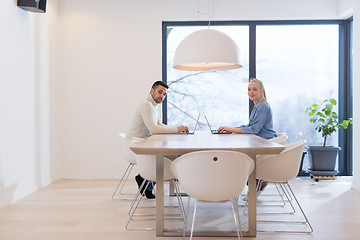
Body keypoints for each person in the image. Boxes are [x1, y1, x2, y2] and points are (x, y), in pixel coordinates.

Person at [126, 81, 188, 199]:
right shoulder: (146, 105)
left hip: (144, 142)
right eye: (160, 92)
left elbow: (160, 124)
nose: (162, 96)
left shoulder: (154, 106)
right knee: (169, 155)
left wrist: (177, 129)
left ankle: (145, 180)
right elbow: (154, 129)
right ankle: (145, 179)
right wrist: (176, 129)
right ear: (152, 90)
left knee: (170, 154)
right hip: (136, 145)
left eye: (164, 94)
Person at [217, 78, 277, 195]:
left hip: (264, 143)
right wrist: (232, 129)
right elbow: (249, 126)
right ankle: (254, 185)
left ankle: (255, 185)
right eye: (249, 89)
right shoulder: (257, 106)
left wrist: (231, 129)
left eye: (255, 89)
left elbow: (254, 130)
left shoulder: (263, 106)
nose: (251, 92)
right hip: (258, 141)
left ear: (262, 91)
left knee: (240, 157)